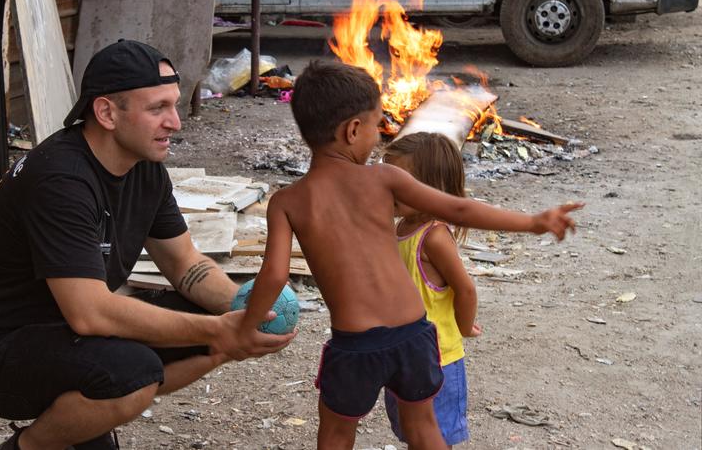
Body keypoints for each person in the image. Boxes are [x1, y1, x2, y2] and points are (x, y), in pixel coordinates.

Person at [0, 40, 295, 450]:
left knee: (200, 333)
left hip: (69, 339)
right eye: (157, 109)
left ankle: (86, 417)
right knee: (133, 374)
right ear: (107, 113)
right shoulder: (61, 180)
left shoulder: (144, 168)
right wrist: (220, 331)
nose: (175, 122)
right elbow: (91, 314)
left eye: (174, 105)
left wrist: (244, 311)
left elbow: (185, 265)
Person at [237, 60, 582, 450]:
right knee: (423, 429)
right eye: (375, 125)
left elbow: (274, 276)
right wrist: (532, 221)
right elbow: (459, 210)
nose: (378, 136)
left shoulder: (287, 202)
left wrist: (247, 324)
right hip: (414, 334)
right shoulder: (385, 179)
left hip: (355, 344)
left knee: (335, 432)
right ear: (352, 130)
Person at [382, 132, 481, 448]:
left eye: (399, 184)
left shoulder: (434, 237)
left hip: (437, 359)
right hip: (400, 355)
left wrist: (464, 326)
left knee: (434, 437)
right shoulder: (399, 228)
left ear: (429, 189)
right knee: (414, 434)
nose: (388, 191)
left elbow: (465, 289)